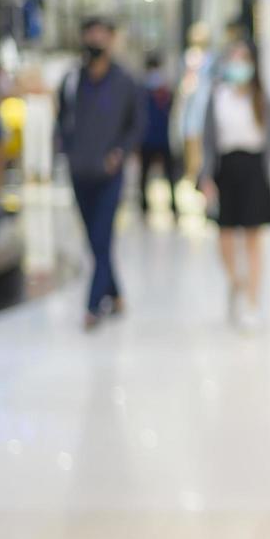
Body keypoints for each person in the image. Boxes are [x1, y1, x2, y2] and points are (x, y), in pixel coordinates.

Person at [197, 40, 270, 329]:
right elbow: (207, 142)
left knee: (253, 238)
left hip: (254, 170)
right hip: (225, 169)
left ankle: (252, 302)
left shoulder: (263, 100)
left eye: (244, 59)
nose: (239, 65)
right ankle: (236, 282)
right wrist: (205, 176)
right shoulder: (217, 97)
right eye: (234, 58)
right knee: (224, 237)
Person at [55, 17, 142, 330]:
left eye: (101, 34)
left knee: (102, 235)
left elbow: (136, 124)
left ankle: (93, 306)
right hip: (80, 171)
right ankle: (116, 295)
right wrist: (66, 150)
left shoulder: (124, 82)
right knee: (95, 239)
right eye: (89, 33)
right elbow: (61, 118)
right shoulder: (72, 79)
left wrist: (119, 153)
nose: (95, 39)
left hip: (109, 174)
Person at [138, 52, 179, 220]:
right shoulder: (141, 92)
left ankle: (173, 205)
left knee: (170, 174)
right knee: (145, 175)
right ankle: (144, 205)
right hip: (147, 140)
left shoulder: (165, 91)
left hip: (162, 139)